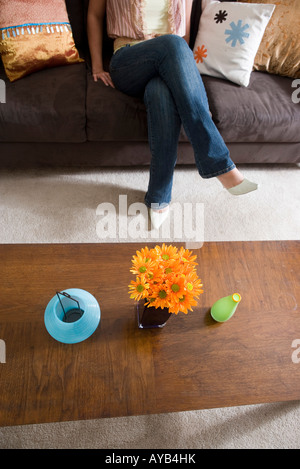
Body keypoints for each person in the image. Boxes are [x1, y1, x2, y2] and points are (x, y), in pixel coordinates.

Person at [87, 0, 258, 229]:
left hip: (167, 60)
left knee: (160, 93)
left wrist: (182, 80)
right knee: (172, 43)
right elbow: (94, 15)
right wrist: (97, 66)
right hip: (128, 60)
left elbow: (183, 37)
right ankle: (217, 161)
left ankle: (158, 196)